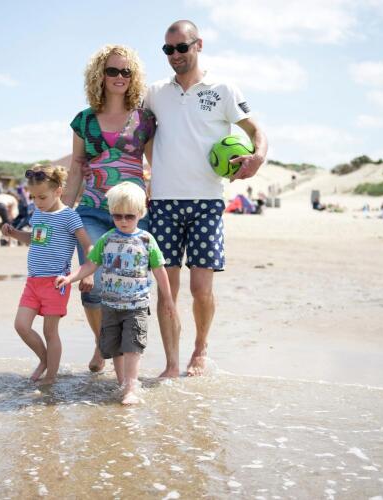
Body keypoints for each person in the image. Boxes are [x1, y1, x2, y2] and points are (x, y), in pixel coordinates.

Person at [143, 20, 268, 377]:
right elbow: (139, 132)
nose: (175, 55)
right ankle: (171, 363)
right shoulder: (155, 93)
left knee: (200, 289)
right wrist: (154, 168)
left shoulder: (224, 89)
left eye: (181, 47)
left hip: (207, 202)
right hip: (163, 202)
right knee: (167, 291)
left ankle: (200, 348)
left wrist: (257, 157)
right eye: (168, 49)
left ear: (199, 45)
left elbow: (256, 131)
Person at [62, 44, 156, 374]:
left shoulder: (144, 120)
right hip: (90, 210)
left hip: (131, 215)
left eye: (126, 71)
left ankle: (114, 349)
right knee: (94, 284)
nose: (119, 77)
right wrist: (61, 212)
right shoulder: (84, 120)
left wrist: (152, 203)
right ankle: (103, 341)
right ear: (100, 75)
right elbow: (76, 167)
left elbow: (155, 165)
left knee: (126, 286)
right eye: (112, 70)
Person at [55, 182, 175, 404]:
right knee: (116, 349)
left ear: (140, 213)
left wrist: (167, 299)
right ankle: (122, 384)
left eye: (129, 216)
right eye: (117, 216)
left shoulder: (146, 240)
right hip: (110, 306)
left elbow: (160, 270)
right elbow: (90, 265)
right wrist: (70, 278)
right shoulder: (107, 239)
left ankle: (131, 388)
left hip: (136, 306)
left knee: (132, 347)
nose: (123, 221)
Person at [2, 164, 92, 385]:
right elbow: (35, 239)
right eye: (33, 197)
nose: (37, 202)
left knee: (50, 332)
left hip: (56, 282)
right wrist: (14, 233)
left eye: (42, 197)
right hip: (33, 281)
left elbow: (87, 246)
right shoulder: (38, 213)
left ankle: (51, 377)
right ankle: (44, 360)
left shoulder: (69, 216)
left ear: (58, 191)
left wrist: (87, 272)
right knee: (21, 326)